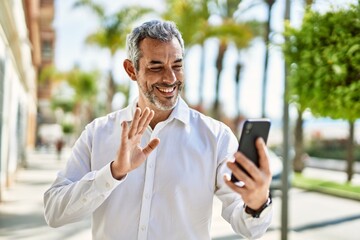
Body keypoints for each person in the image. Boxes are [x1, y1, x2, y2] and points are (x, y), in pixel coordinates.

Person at [44, 20, 273, 240]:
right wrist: (113, 173)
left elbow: (249, 228)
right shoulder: (98, 133)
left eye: (177, 65)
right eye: (156, 66)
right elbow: (54, 212)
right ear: (131, 70)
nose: (170, 78)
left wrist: (257, 204)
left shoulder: (216, 137)